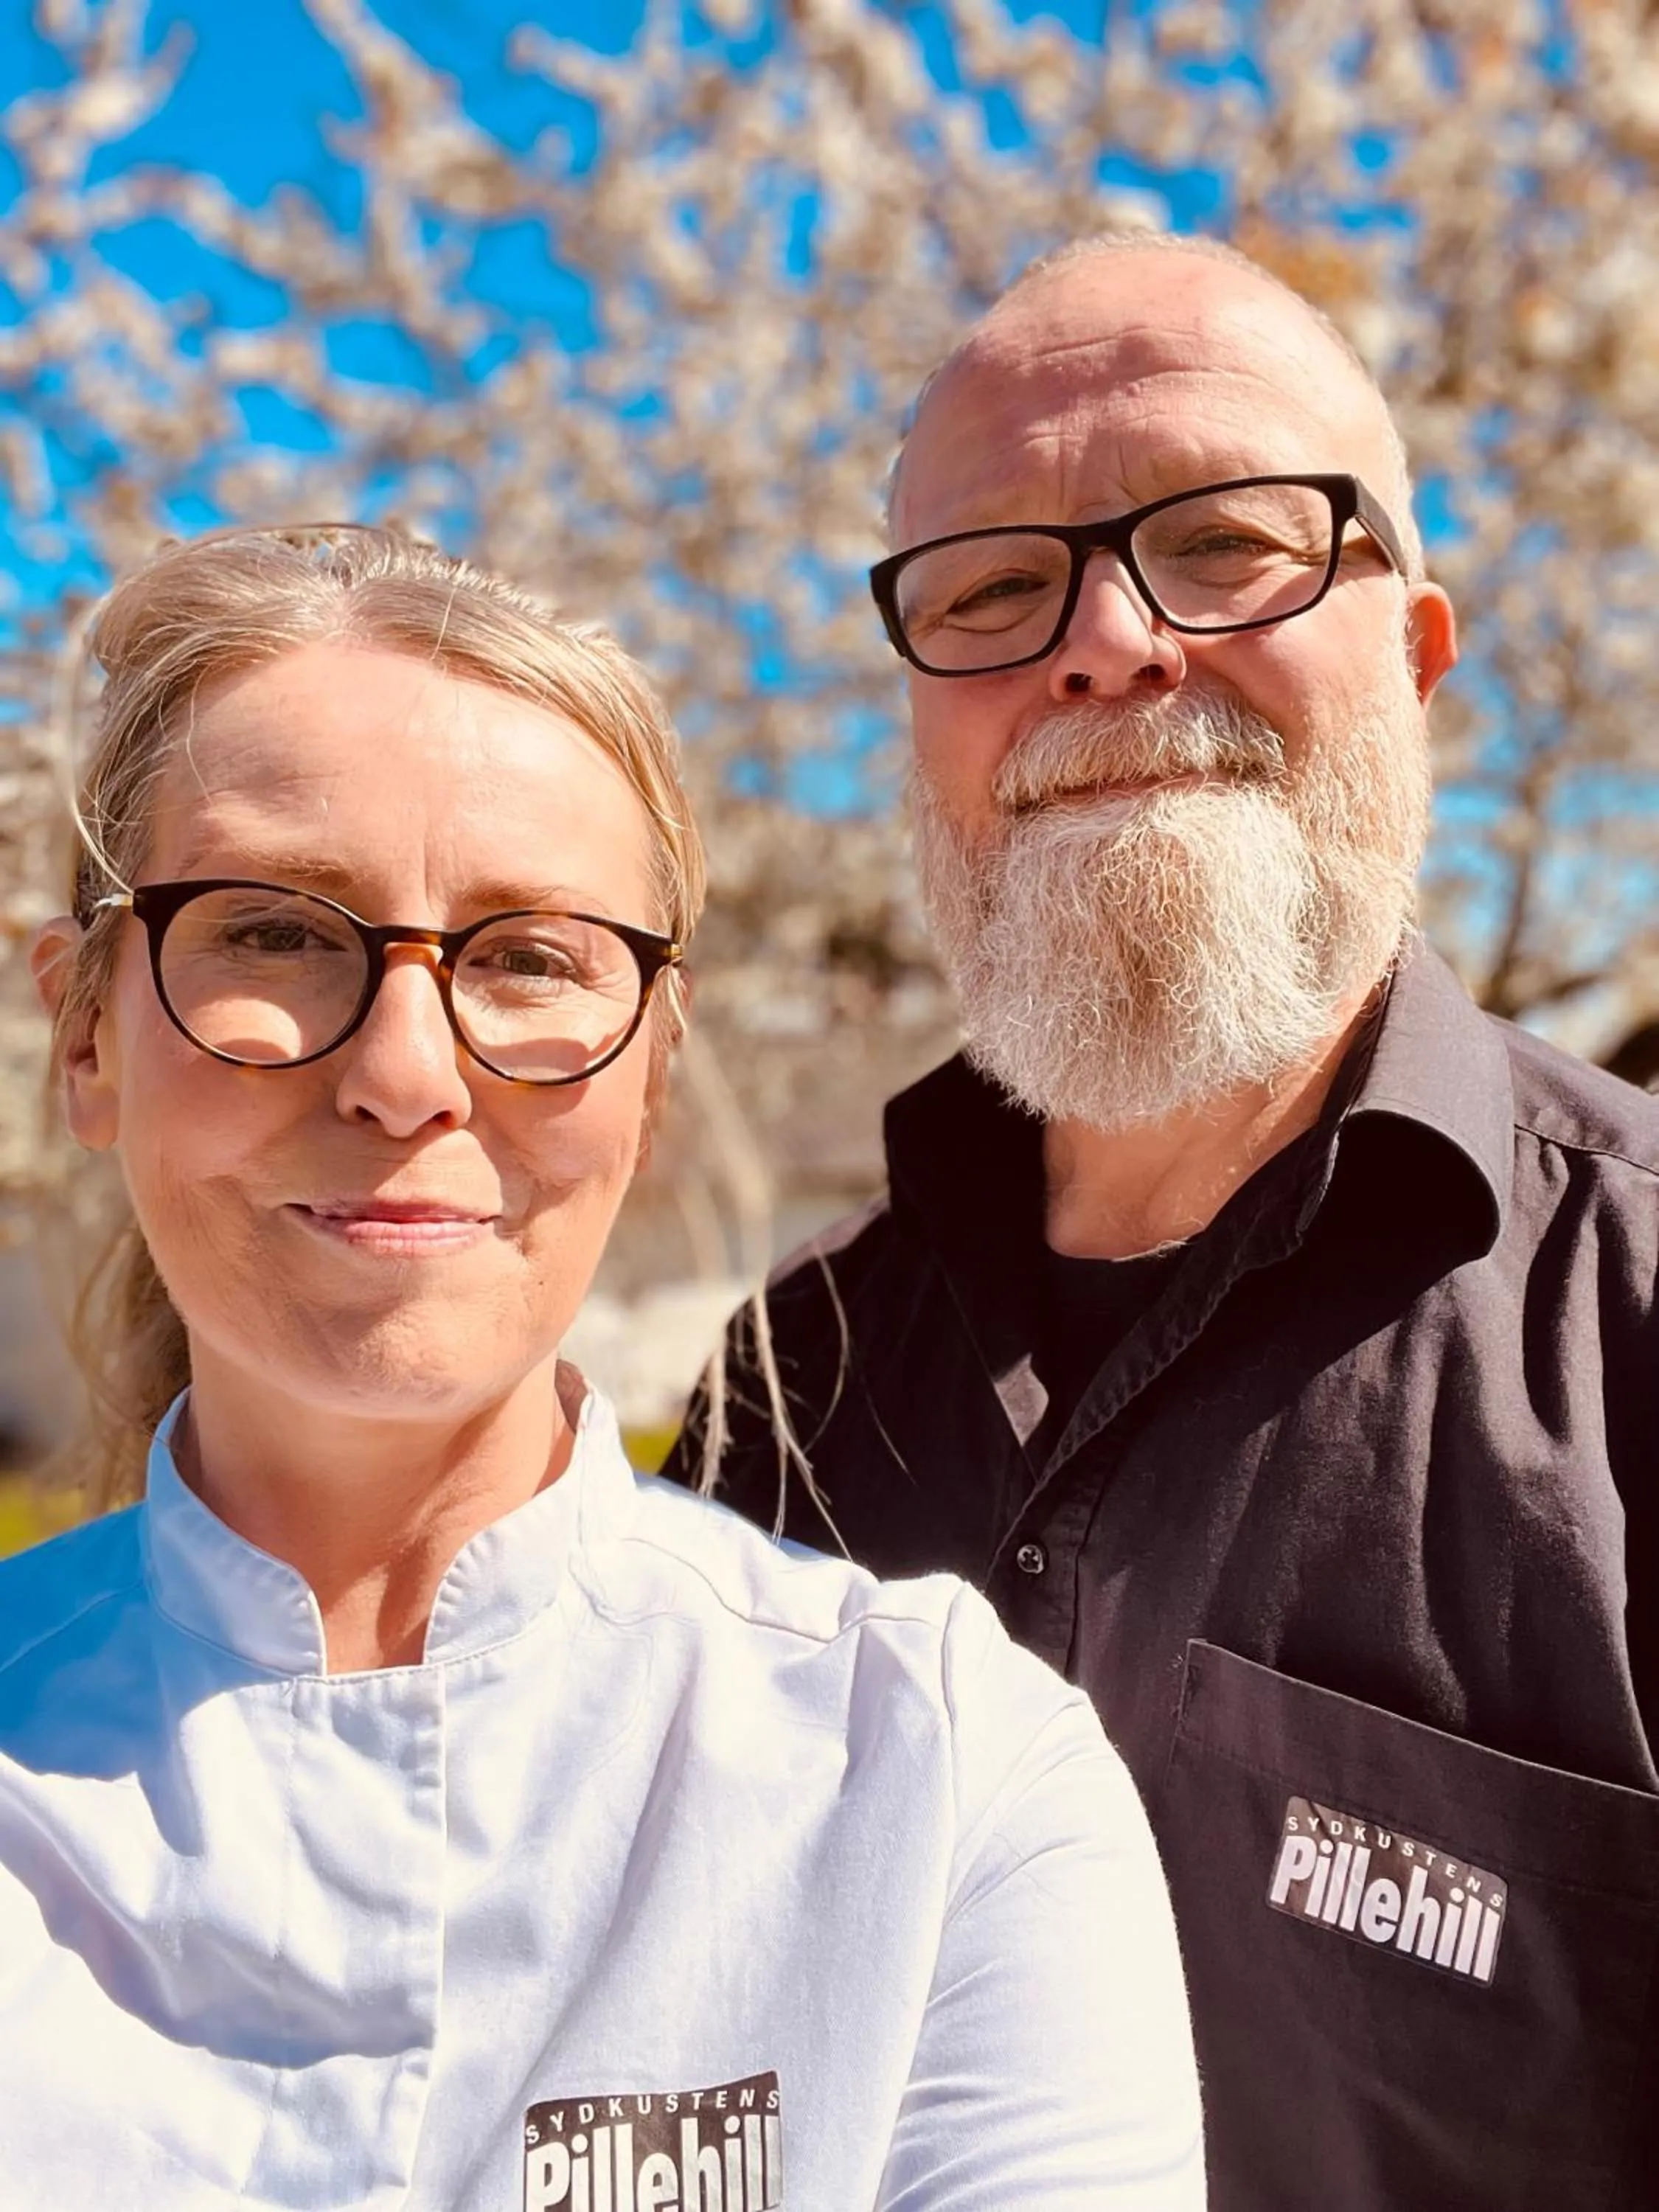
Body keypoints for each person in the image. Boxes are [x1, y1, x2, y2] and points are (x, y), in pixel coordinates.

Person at [2, 524, 1204, 2211]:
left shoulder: (941, 1780)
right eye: (271, 934)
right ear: (83, 1035)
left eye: (529, 959)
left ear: (651, 1073)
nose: (407, 1075)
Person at [668, 235, 1659, 2212]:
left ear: (1418, 654)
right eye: (991, 585)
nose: (1107, 640)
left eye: (1225, 543)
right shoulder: (782, 1392)